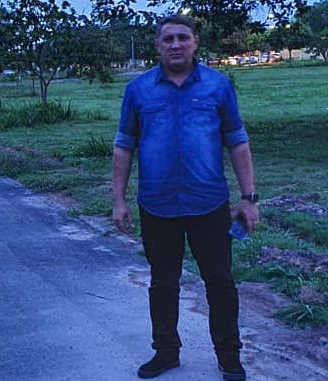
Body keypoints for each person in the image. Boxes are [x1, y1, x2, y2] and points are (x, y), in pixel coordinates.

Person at [112, 14, 259, 381]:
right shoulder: (139, 90)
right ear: (157, 45)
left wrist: (248, 197)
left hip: (208, 204)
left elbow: (237, 143)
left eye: (182, 38)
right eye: (168, 39)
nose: (175, 45)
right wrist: (118, 200)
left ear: (195, 42)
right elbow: (123, 147)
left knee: (220, 282)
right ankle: (165, 354)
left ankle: (229, 357)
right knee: (163, 283)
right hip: (156, 205)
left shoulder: (217, 86)